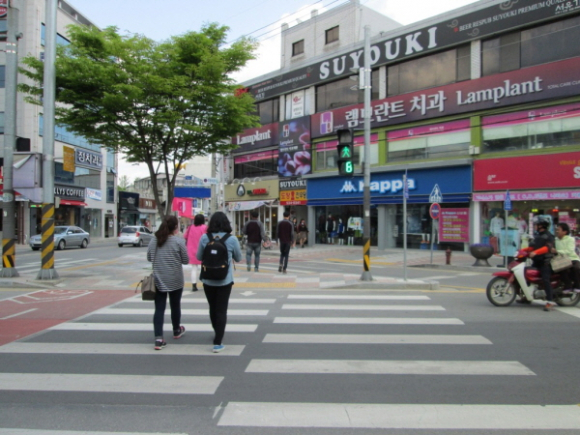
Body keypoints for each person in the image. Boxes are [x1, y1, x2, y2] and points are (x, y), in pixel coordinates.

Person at [196, 211, 242, 353]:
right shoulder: (232, 239)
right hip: (225, 280)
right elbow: (238, 258)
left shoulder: (205, 238)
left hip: (208, 279)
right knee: (221, 309)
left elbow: (199, 257)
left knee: (212, 307)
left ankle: (217, 331)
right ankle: (218, 342)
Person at [147, 215, 189, 351]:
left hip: (158, 279)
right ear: (175, 227)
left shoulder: (154, 240)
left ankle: (158, 339)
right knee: (175, 305)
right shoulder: (179, 241)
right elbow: (186, 260)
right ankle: (176, 330)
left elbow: (149, 257)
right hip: (175, 279)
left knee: (159, 308)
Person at [528, 217, 556, 311]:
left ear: (541, 226)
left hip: (545, 262)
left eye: (536, 224)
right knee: (527, 275)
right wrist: (521, 252)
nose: (535, 226)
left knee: (545, 279)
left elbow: (548, 248)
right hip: (536, 262)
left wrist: (535, 252)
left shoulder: (549, 236)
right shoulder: (537, 236)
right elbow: (531, 247)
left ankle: (550, 301)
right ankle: (526, 296)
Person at [552, 223, 580, 294]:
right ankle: (568, 286)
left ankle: (577, 286)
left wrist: (557, 251)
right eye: (556, 230)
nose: (557, 231)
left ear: (565, 232)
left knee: (576, 268)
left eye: (558, 230)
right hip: (561, 259)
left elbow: (569, 251)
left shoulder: (570, 239)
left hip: (572, 258)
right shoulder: (555, 240)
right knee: (562, 269)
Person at [184, 214, 207, 292]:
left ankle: (194, 285)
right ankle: (205, 283)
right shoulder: (204, 227)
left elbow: (185, 237)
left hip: (191, 250)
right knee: (204, 268)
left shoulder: (190, 227)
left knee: (194, 268)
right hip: (202, 250)